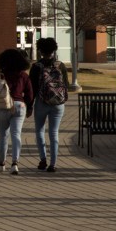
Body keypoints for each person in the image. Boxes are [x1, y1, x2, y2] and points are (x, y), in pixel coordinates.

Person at [30, 37, 70, 172]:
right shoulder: (61, 65)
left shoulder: (36, 67)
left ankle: (43, 159)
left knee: (40, 131)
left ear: (40, 51)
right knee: (54, 133)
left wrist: (29, 105)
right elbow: (67, 85)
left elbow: (32, 88)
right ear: (54, 50)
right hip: (58, 103)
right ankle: (53, 163)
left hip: (41, 102)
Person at [0, 48, 33, 175]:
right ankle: (15, 163)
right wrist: (29, 107)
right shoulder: (23, 75)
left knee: (3, 136)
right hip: (19, 105)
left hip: (3, 106)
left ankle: (1, 163)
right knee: (16, 135)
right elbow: (30, 93)